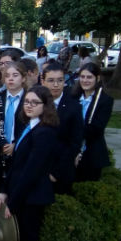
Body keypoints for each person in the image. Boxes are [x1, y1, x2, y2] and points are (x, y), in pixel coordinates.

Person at [0, 85, 57, 241]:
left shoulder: (45, 132)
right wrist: (4, 190)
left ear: (45, 106)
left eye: (35, 103)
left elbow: (31, 171)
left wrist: (13, 202)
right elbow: (15, 164)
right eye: (27, 102)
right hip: (20, 192)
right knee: (19, 239)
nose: (29, 106)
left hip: (32, 196)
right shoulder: (29, 126)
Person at [41, 62, 83, 193]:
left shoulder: (74, 107)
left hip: (61, 171)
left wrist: (56, 172)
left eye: (60, 80)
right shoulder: (35, 103)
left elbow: (75, 143)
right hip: (38, 168)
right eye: (51, 80)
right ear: (42, 81)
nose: (55, 85)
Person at [0, 61, 27, 195]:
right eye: (7, 75)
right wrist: (2, 144)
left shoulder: (30, 99)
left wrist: (16, 145)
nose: (11, 78)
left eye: (15, 75)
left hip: (21, 151)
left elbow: (32, 127)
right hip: (0, 150)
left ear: (24, 78)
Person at [73, 62, 114, 182]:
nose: (85, 80)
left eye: (89, 77)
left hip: (91, 152)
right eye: (82, 77)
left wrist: (74, 132)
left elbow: (96, 128)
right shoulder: (73, 96)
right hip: (71, 150)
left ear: (98, 78)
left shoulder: (104, 100)